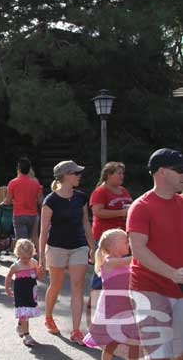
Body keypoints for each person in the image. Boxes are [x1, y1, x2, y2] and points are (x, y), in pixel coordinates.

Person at [127, 148, 183, 360]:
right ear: (162, 172)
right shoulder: (141, 207)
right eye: (180, 170)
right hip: (150, 289)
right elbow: (138, 250)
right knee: (159, 355)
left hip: (180, 289)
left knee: (179, 353)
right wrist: (172, 273)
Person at [39, 160, 96, 345]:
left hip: (79, 246)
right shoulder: (50, 201)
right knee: (55, 284)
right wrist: (41, 259)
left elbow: (86, 223)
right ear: (64, 176)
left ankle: (77, 330)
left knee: (77, 286)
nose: (79, 176)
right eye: (75, 173)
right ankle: (48, 317)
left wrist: (92, 246)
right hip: (56, 247)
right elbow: (43, 231)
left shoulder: (81, 197)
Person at [83, 229, 141, 360]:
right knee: (112, 342)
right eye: (126, 242)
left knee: (134, 341)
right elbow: (130, 260)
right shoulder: (109, 262)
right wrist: (142, 253)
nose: (129, 244)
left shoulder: (123, 263)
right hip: (113, 310)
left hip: (127, 308)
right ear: (113, 247)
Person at [89, 162, 133, 290]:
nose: (122, 176)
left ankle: (117, 296)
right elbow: (97, 211)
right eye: (118, 173)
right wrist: (120, 212)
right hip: (105, 237)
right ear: (109, 175)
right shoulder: (100, 191)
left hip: (121, 237)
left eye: (122, 173)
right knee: (103, 268)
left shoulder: (124, 190)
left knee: (120, 269)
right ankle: (94, 299)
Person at [5, 238, 42, 347]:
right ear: (18, 254)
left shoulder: (34, 263)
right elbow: (8, 277)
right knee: (24, 312)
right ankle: (27, 336)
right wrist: (7, 288)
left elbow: (39, 276)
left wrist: (40, 272)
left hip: (31, 291)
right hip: (20, 293)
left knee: (27, 312)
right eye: (23, 257)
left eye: (29, 257)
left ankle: (20, 326)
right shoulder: (16, 266)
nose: (26, 260)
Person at [2, 157, 43, 250]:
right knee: (35, 237)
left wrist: (3, 203)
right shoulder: (35, 183)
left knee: (22, 240)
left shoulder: (13, 183)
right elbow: (40, 201)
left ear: (18, 169)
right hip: (33, 215)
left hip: (19, 214)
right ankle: (40, 257)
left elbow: (8, 201)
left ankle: (23, 259)